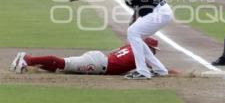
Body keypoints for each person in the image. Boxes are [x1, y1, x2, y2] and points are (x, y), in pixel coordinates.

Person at [84, 0, 172, 79]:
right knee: (135, 35)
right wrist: (135, 17)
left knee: (133, 32)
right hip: (156, 12)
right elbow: (138, 4)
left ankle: (143, 71)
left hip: (159, 12)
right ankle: (160, 70)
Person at [10, 37, 170, 78]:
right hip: (100, 64)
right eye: (153, 50)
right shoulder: (143, 54)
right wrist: (178, 73)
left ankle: (29, 63)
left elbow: (118, 51)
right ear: (148, 48)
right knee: (64, 63)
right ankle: (28, 59)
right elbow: (160, 70)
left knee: (60, 69)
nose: (154, 53)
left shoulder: (131, 47)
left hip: (101, 59)